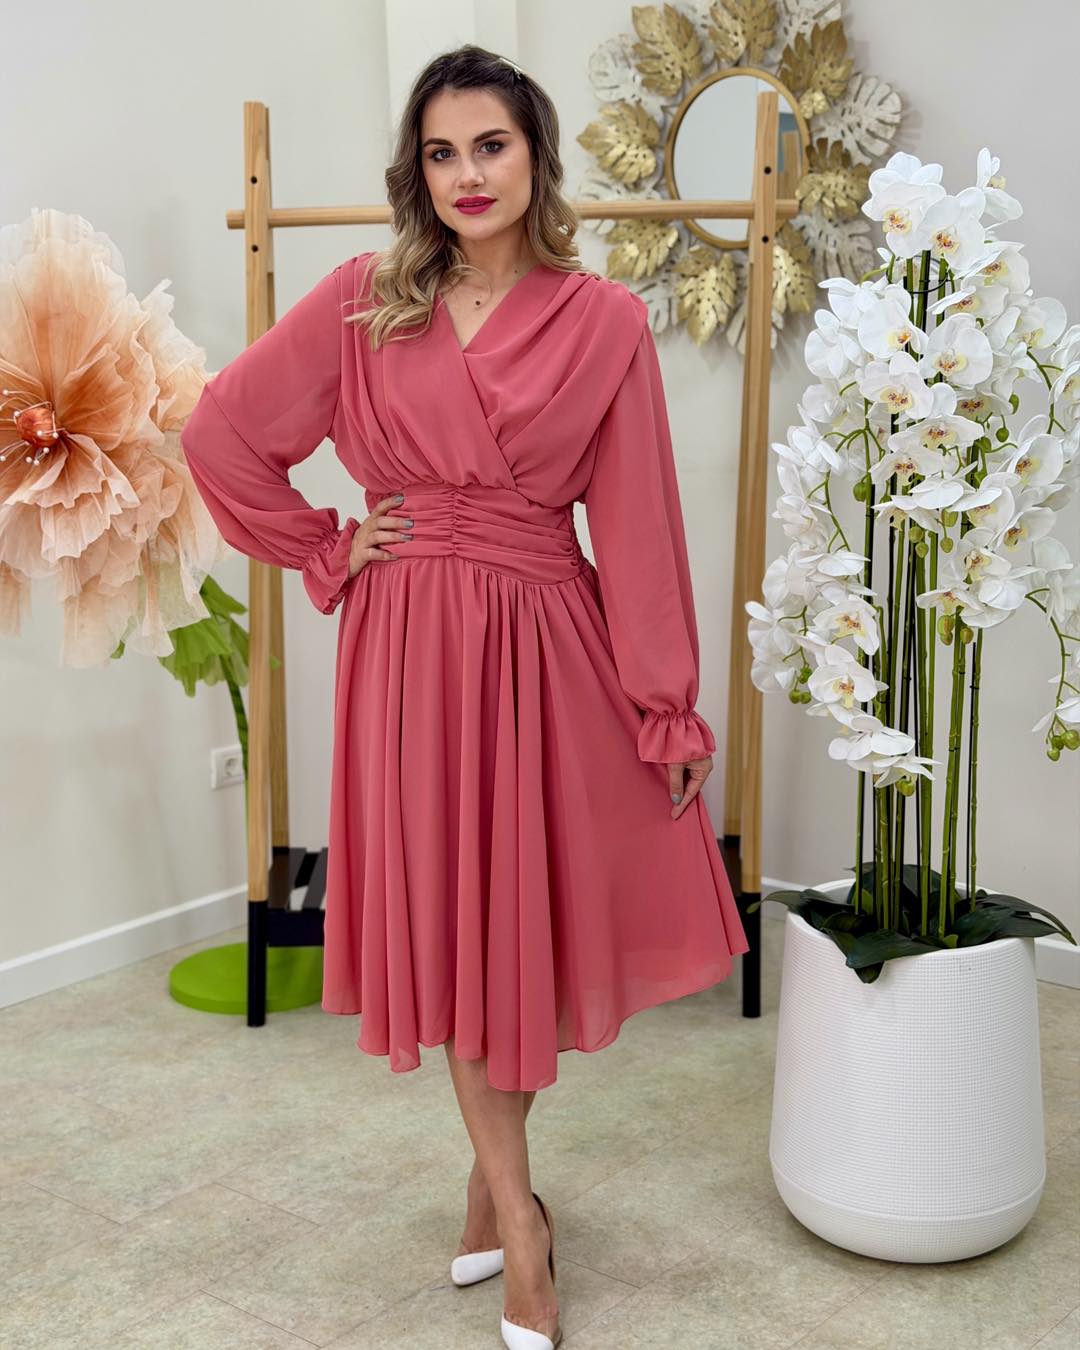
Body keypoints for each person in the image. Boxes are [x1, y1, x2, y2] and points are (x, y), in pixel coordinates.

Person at [180, 43, 749, 1350]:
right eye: (440, 153)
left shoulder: (604, 322)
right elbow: (221, 432)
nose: (467, 174)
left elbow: (641, 526)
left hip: (544, 646)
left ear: (534, 154)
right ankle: (519, 1220)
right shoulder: (363, 302)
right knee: (452, 928)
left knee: (512, 934)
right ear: (417, 173)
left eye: (490, 145)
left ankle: (498, 1193)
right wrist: (329, 545)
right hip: (405, 650)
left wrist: (665, 702)